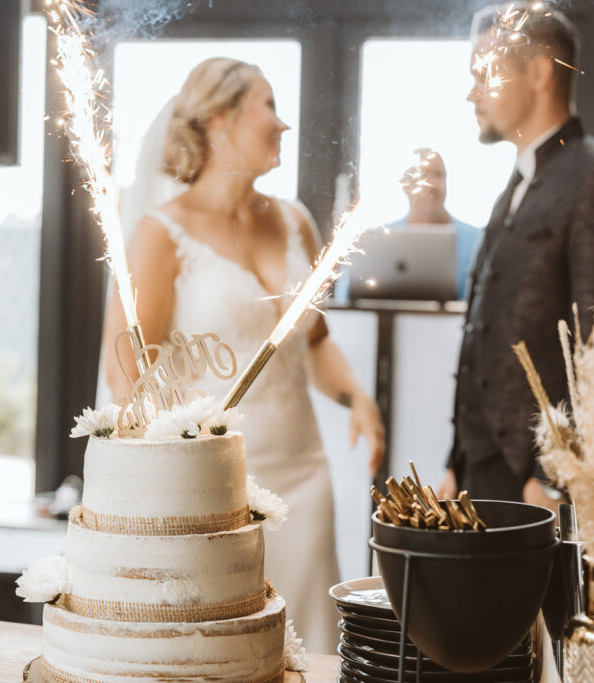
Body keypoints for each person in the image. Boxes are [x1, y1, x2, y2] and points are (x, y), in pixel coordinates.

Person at [102, 57, 386, 653]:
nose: (283, 125)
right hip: (214, 493)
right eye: (269, 106)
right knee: (222, 651)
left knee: (310, 646)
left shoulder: (295, 221)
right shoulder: (160, 234)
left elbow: (315, 343)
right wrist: (173, 477)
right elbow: (127, 372)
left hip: (304, 482)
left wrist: (357, 397)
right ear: (218, 119)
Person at [437, 4, 594, 505]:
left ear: (539, 73)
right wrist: (458, 460)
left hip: (543, 486)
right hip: (484, 473)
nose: (473, 92)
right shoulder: (514, 186)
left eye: (485, 73)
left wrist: (560, 475)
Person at [391, 148, 481, 299]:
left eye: (439, 175)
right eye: (423, 174)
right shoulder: (378, 241)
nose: (432, 183)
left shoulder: (478, 241)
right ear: (405, 184)